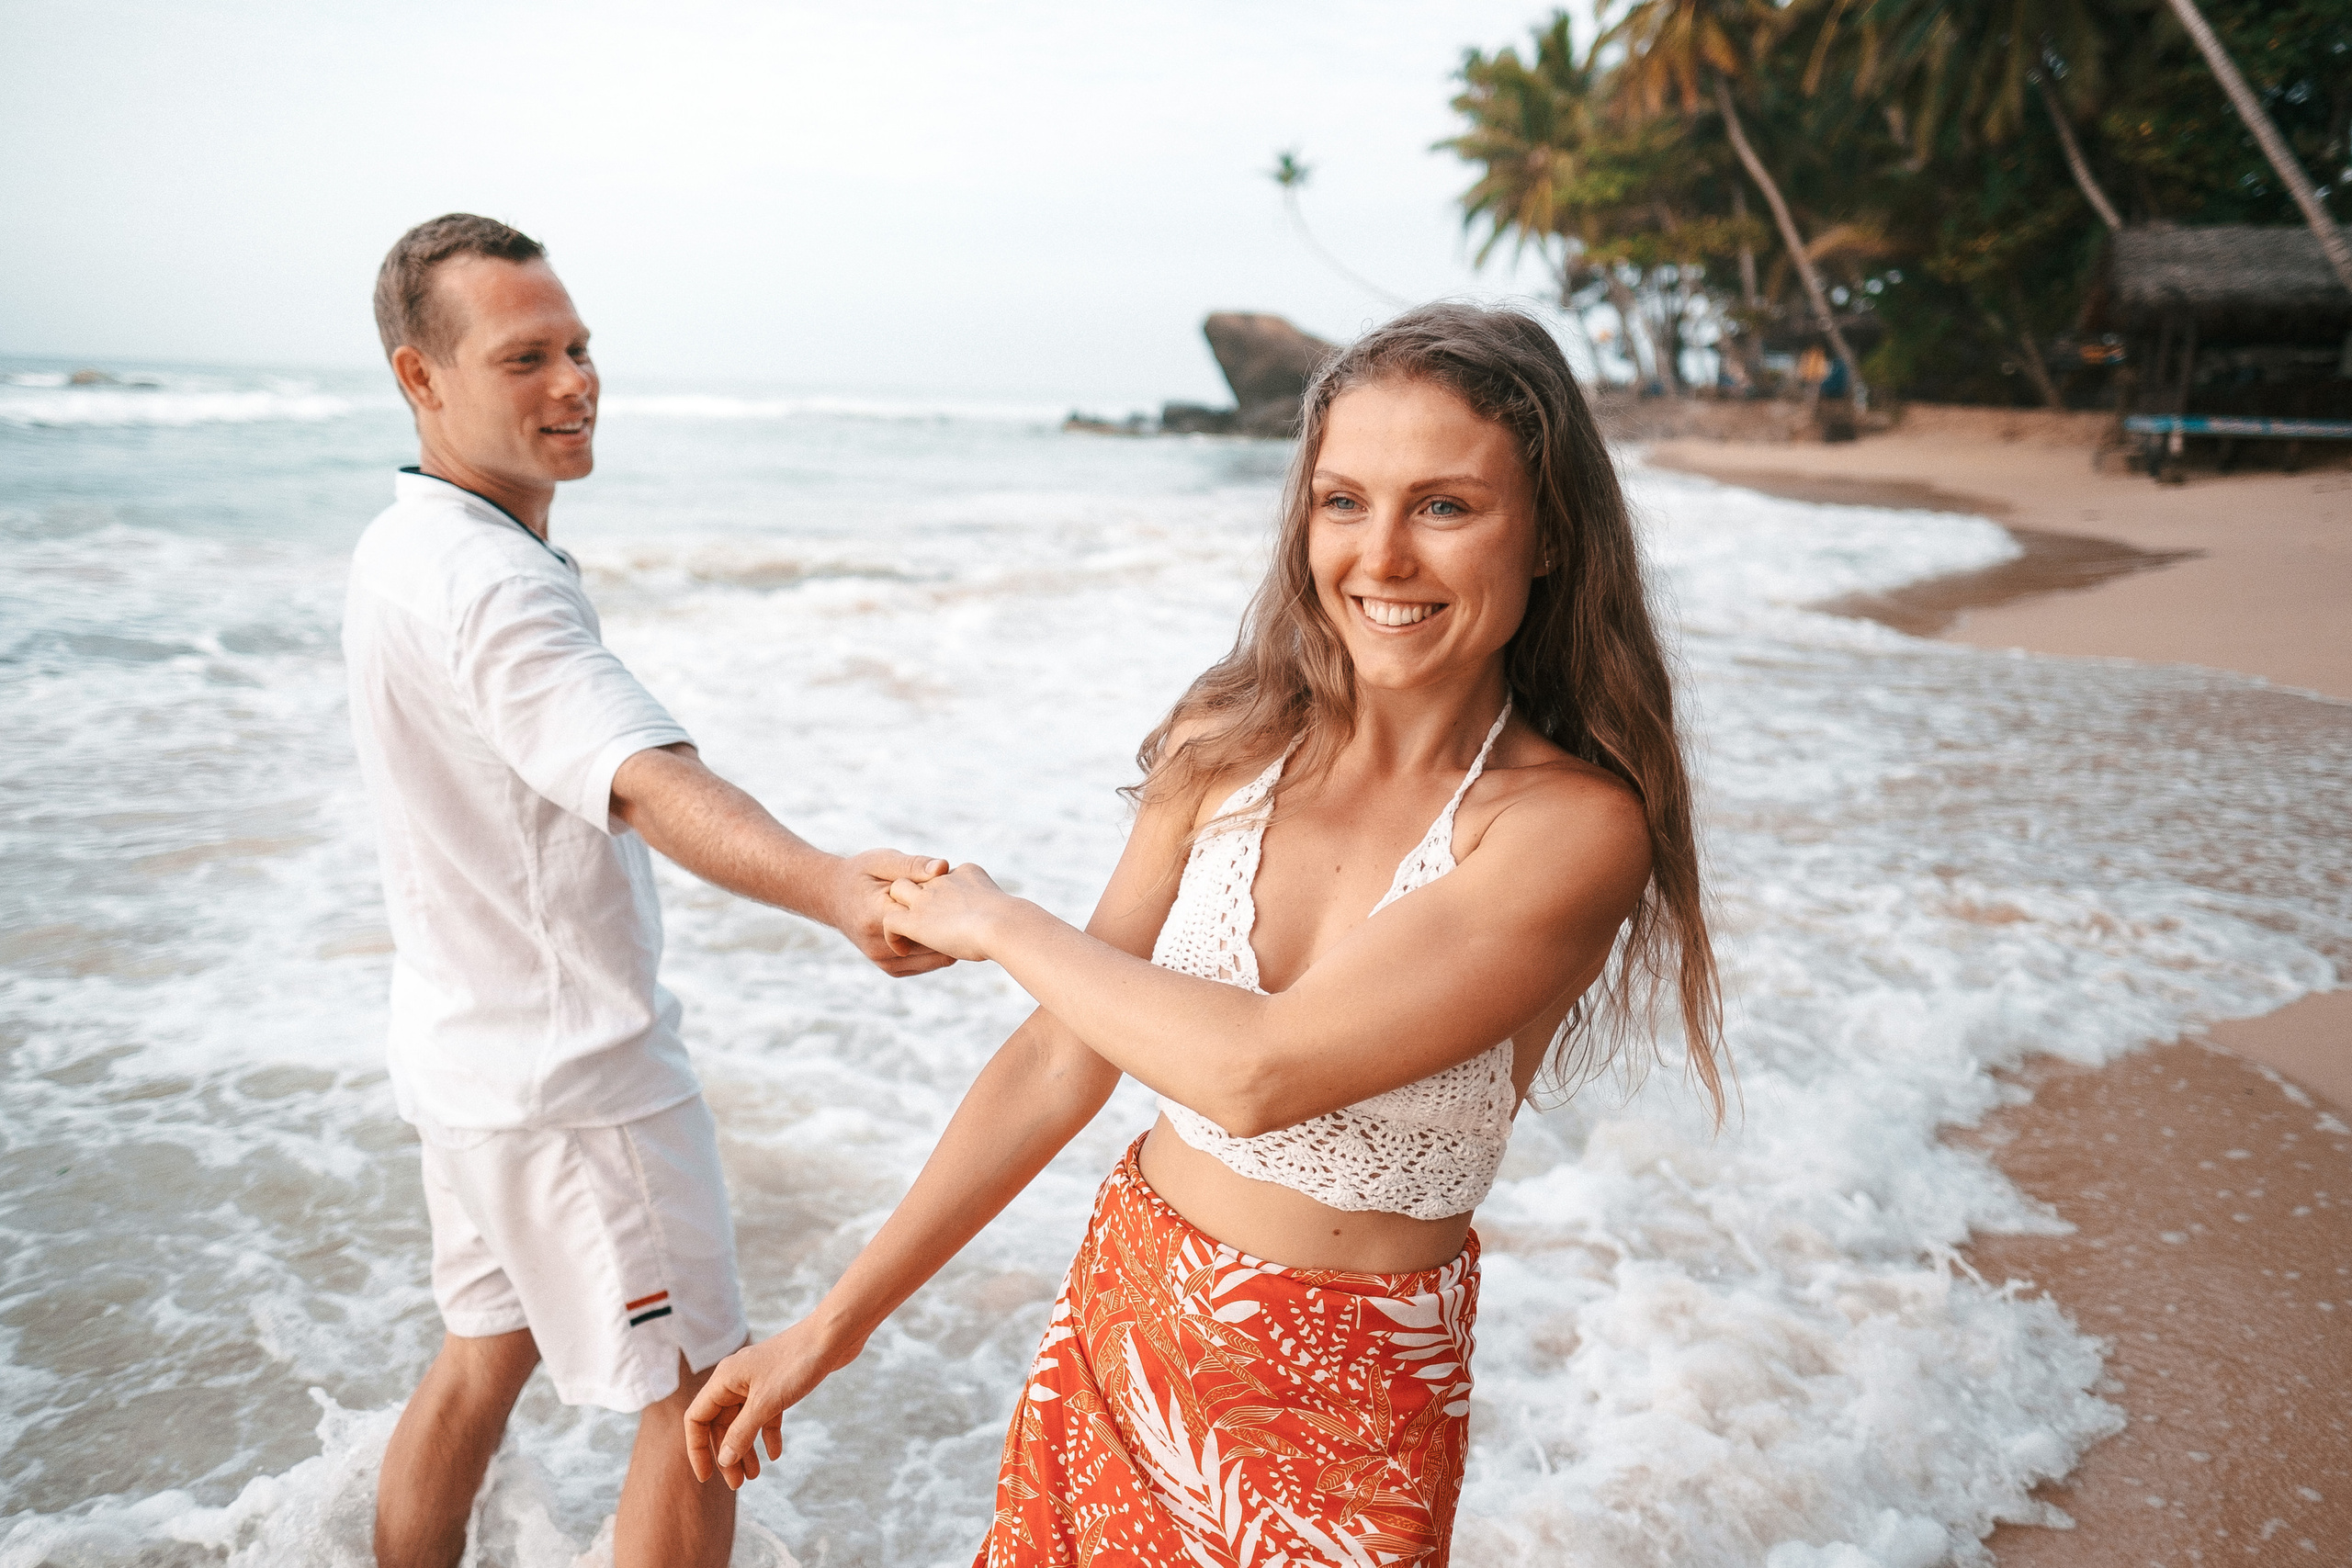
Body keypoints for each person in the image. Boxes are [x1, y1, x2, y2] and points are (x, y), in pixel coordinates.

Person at [683, 302, 1725, 1564]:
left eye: (1444, 507)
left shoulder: (1572, 830)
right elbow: (1058, 1060)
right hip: (1125, 1331)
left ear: (1551, 531)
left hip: (1351, 1412)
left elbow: (1255, 1073)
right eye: (1344, 502)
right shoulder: (1226, 741)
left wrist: (999, 920)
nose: (1382, 556)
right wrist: (829, 1328)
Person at [345, 213, 954, 1568]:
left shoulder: (404, 545)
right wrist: (831, 884)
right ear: (420, 378)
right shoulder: (496, 586)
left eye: (577, 346)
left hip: (468, 1067)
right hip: (583, 1083)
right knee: (702, 1402)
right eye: (524, 358)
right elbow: (642, 775)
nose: (573, 381)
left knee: (476, 1363)